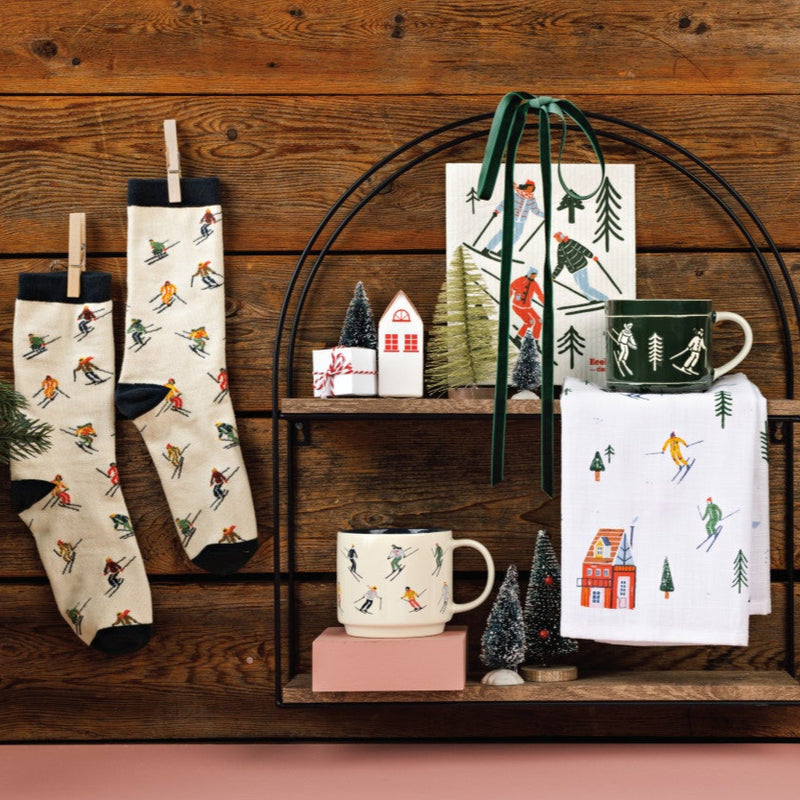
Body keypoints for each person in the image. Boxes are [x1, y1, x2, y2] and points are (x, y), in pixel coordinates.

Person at [483, 179, 544, 254]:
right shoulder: (517, 195)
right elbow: (505, 203)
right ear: (525, 187)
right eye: (529, 188)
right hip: (511, 218)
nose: (530, 190)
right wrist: (497, 211)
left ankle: (503, 252)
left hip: (521, 222)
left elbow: (536, 210)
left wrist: (544, 215)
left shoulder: (531, 200)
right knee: (502, 233)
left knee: (516, 236)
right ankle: (487, 249)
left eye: (532, 189)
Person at [553, 232, 608, 302]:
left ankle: (604, 298)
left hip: (581, 267)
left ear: (561, 237)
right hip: (573, 270)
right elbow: (560, 263)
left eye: (557, 238)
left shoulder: (571, 242)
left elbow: (582, 249)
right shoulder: (560, 248)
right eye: (556, 238)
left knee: (584, 287)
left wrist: (592, 256)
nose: (556, 240)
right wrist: (554, 275)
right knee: (581, 287)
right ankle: (591, 300)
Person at [509, 267, 544, 339]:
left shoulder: (534, 284)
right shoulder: (521, 280)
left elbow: (540, 294)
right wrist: (507, 298)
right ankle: (518, 337)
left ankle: (535, 340)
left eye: (535, 275)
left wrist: (545, 303)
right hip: (517, 306)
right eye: (532, 274)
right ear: (529, 273)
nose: (533, 276)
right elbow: (511, 288)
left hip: (528, 307)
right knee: (530, 322)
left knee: (539, 321)